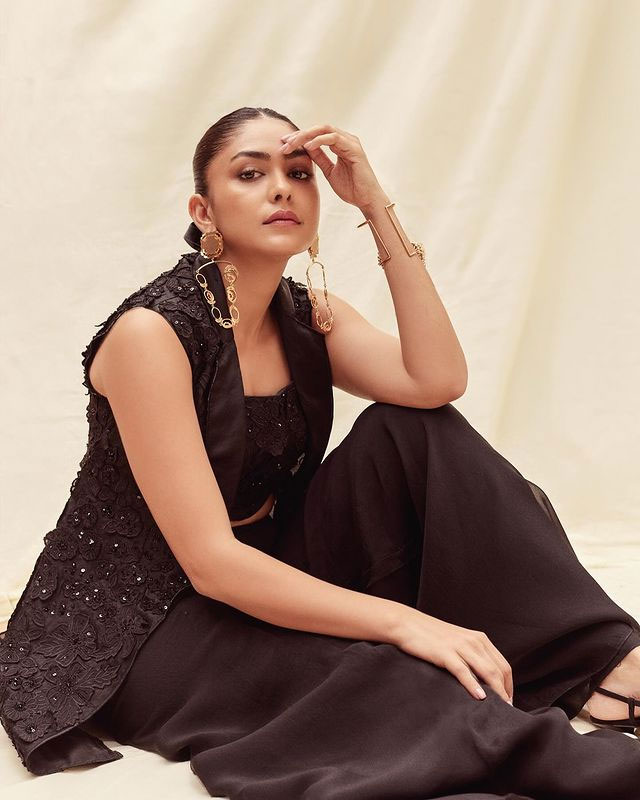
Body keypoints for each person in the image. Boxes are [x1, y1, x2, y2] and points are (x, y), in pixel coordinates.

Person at [1, 106, 639, 799]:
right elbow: (211, 564)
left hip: (268, 566)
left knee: (414, 432)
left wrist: (374, 206)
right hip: (144, 621)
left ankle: (610, 670)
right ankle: (580, 768)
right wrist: (409, 623)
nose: (282, 188)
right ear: (203, 210)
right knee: (396, 678)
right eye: (251, 174)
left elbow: (436, 381)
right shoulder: (150, 335)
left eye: (299, 173)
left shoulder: (309, 315)